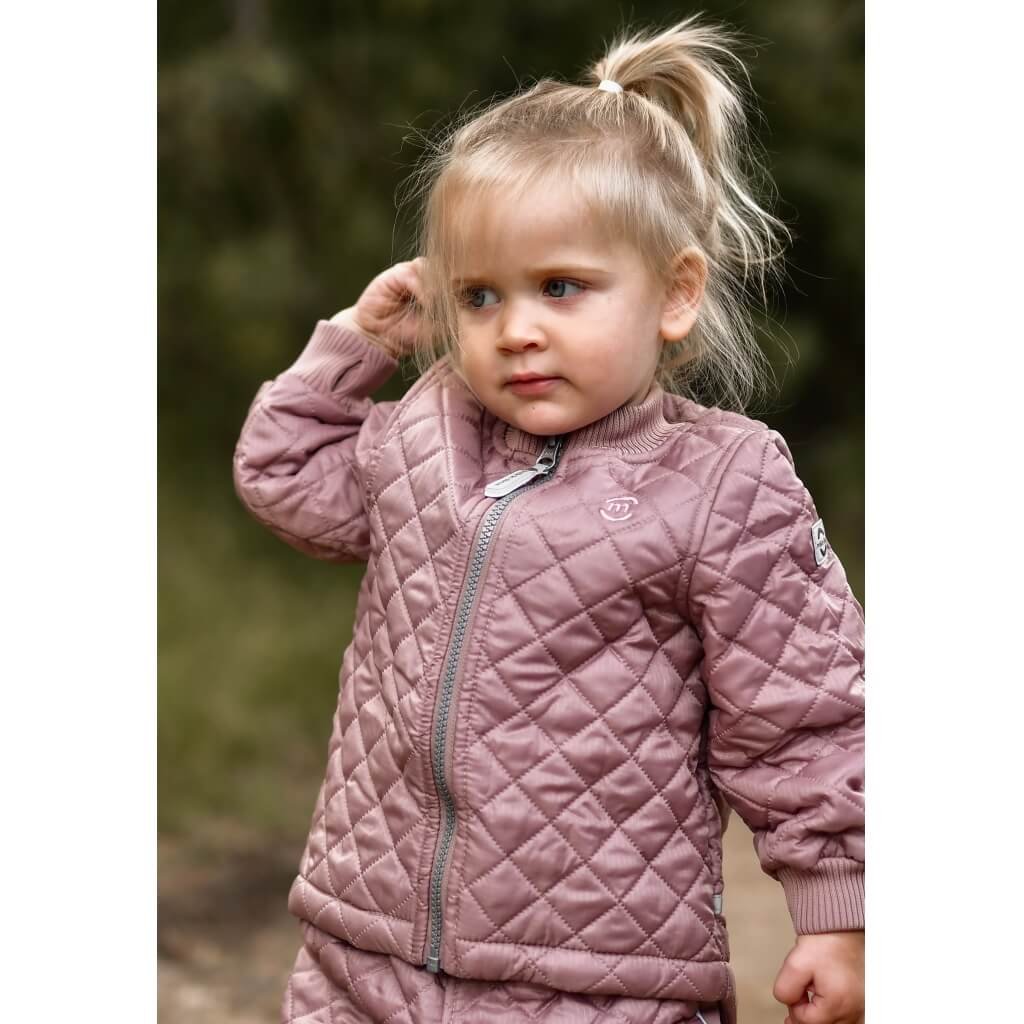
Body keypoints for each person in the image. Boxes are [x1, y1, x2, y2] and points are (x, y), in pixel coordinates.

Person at [233, 16, 864, 1024]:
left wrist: (840, 916)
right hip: (364, 947)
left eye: (560, 288)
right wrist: (358, 343)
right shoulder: (428, 432)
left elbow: (807, 719)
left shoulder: (723, 482)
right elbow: (285, 476)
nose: (516, 329)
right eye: (479, 296)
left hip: (599, 980)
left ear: (674, 293)